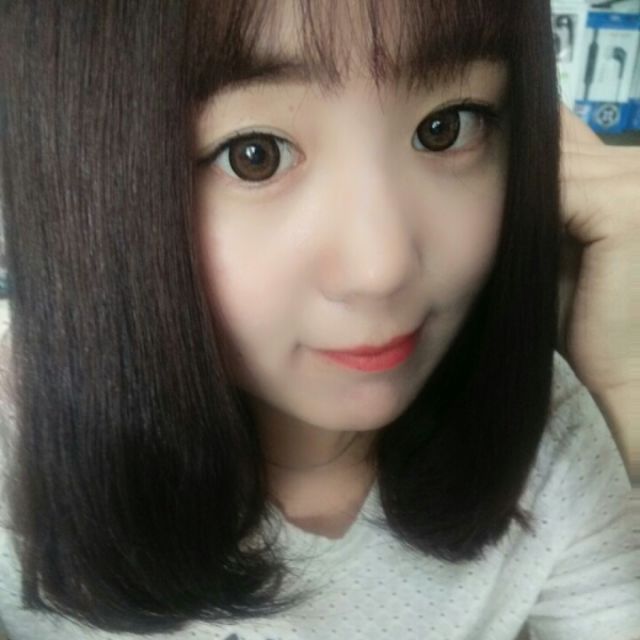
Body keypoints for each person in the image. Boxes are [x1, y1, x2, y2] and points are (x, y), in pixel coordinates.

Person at [0, 1, 638, 639]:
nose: (380, 269)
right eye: (254, 155)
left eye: (445, 127)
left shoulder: (548, 432)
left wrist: (627, 383)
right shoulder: (14, 454)